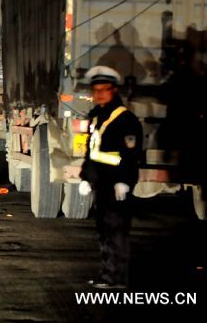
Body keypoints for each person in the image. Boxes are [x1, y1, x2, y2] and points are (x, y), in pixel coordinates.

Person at [78, 65, 143, 289]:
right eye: (96, 90)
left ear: (114, 90)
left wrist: (125, 181)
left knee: (117, 233)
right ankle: (107, 275)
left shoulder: (125, 120)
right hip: (102, 183)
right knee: (104, 232)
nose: (99, 94)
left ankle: (117, 278)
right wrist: (86, 177)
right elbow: (92, 151)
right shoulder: (97, 116)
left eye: (104, 89)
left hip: (117, 184)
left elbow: (131, 154)